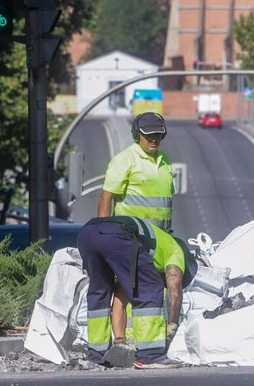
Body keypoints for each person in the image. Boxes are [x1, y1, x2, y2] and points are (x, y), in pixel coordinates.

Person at [97, 112, 175, 347]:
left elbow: (165, 203)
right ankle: (119, 339)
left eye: (158, 135)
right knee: (125, 286)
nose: (154, 139)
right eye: (149, 135)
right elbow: (106, 197)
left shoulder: (165, 161)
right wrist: (104, 233)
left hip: (159, 239)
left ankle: (150, 338)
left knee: (154, 288)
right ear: (137, 135)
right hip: (131, 237)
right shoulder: (125, 159)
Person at [77, 215, 185, 369]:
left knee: (99, 291)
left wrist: (120, 340)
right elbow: (174, 288)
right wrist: (172, 325)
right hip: (117, 234)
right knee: (150, 286)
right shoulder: (176, 251)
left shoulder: (145, 252)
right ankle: (150, 355)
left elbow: (120, 298)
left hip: (87, 233)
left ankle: (96, 355)